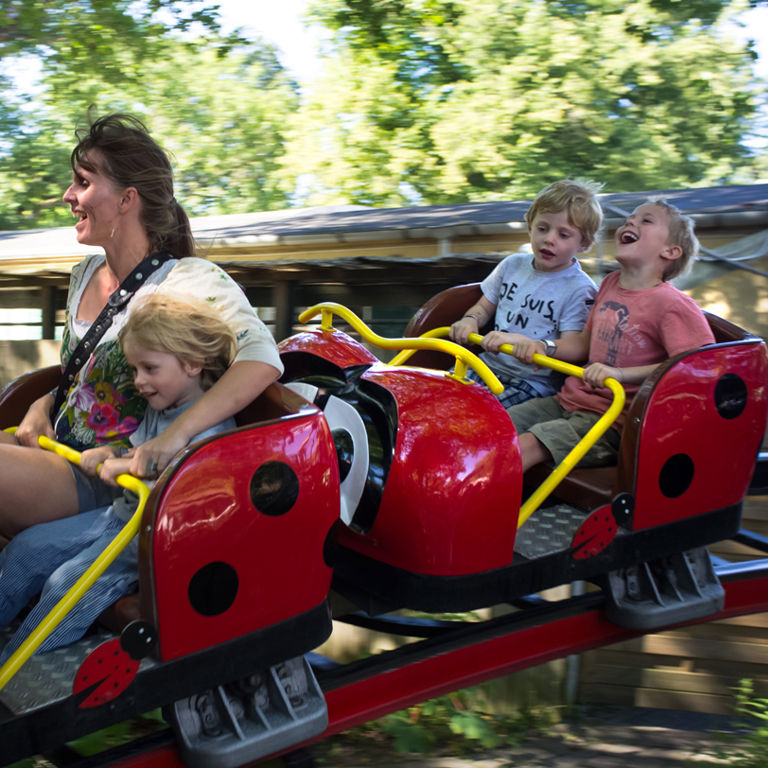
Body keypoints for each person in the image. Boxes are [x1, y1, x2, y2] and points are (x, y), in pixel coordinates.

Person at [0, 113, 283, 542]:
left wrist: (170, 440)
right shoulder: (83, 274)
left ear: (127, 199)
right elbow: (84, 376)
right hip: (53, 449)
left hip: (106, 475)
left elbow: (261, 359)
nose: (68, 195)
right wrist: (43, 403)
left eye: (83, 182)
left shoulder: (189, 279)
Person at [0, 295, 238, 660]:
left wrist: (123, 467)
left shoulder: (210, 425)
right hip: (119, 517)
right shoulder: (166, 404)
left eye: (149, 368)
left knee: (67, 586)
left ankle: (21, 665)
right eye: (135, 370)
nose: (140, 381)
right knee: (25, 550)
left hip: (148, 540)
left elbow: (181, 480)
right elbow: (136, 449)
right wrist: (112, 453)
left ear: (192, 363)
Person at [507, 199, 716, 472]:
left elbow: (697, 365)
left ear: (671, 250)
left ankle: (482, 512)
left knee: (526, 446)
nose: (630, 222)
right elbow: (585, 343)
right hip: (568, 400)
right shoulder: (610, 283)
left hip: (612, 421)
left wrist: (619, 375)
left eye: (646, 220)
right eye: (631, 218)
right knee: (496, 426)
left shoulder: (672, 303)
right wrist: (544, 347)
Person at [448, 179, 601, 407]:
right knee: (436, 398)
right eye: (543, 228)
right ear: (530, 226)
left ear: (584, 244)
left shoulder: (579, 288)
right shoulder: (511, 265)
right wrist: (470, 321)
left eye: (564, 235)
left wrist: (531, 343)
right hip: (484, 365)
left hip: (531, 381)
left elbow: (573, 347)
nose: (549, 239)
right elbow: (483, 307)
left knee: (477, 415)